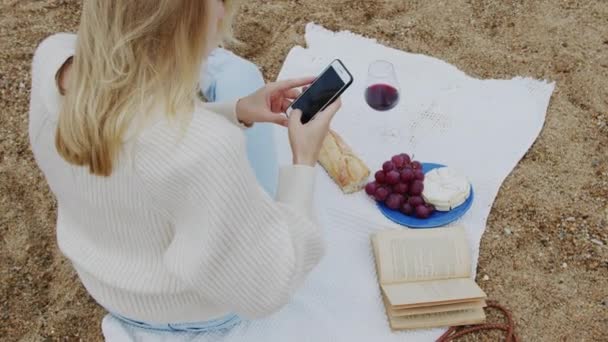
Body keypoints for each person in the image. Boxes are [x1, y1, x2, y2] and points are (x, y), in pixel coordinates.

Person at [28, 0, 341, 333]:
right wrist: (304, 160)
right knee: (240, 72)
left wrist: (237, 110)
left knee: (236, 76)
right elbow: (268, 288)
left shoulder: (53, 58)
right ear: (180, 22)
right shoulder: (207, 149)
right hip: (192, 312)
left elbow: (137, 131)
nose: (224, 12)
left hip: (106, 282)